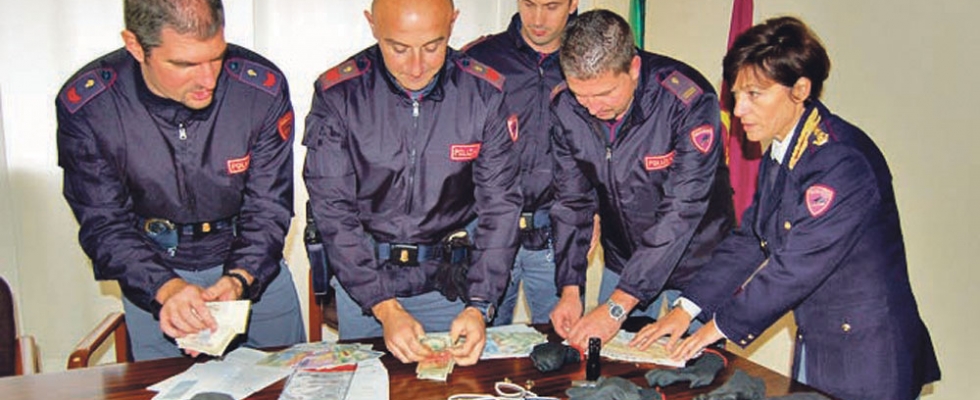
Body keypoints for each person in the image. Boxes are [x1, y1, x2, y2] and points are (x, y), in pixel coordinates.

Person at [630, 16, 941, 400]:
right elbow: (751, 239)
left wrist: (715, 328)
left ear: (800, 89)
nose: (739, 110)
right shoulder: (784, 152)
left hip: (868, 357)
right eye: (736, 95)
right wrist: (687, 309)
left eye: (754, 94)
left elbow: (794, 268)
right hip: (821, 342)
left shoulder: (840, 161)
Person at [56, 0, 305, 361]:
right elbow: (103, 222)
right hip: (151, 271)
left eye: (216, 57)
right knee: (164, 383)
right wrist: (165, 287)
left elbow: (268, 207)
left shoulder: (258, 90)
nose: (208, 79)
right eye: (185, 64)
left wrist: (239, 278)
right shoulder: (92, 107)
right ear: (135, 46)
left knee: (288, 378)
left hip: (253, 267)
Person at [302, 0, 522, 366]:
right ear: (372, 24)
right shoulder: (340, 95)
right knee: (369, 384)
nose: (416, 67)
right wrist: (383, 306)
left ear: (452, 23)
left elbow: (500, 207)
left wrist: (480, 304)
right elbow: (334, 213)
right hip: (366, 284)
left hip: (449, 288)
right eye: (398, 48)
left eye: (433, 46)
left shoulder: (484, 94)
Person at [548, 9, 734, 350]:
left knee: (697, 369)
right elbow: (572, 201)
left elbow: (682, 210)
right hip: (624, 260)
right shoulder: (565, 106)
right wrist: (570, 287)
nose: (591, 108)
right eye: (581, 95)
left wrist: (617, 305)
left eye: (604, 94)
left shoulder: (687, 102)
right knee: (609, 365)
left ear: (633, 68)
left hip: (695, 265)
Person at [463, 0, 578, 326]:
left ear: (573, 4)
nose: (538, 19)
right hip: (487, 235)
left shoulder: (587, 60)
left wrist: (594, 210)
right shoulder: (479, 59)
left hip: (557, 236)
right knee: (481, 343)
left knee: (561, 342)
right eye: (529, 4)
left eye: (551, 6)